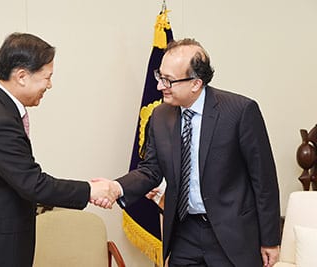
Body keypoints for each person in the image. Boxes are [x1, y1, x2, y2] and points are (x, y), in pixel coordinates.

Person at [95, 38, 281, 267]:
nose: (159, 86)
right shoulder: (160, 116)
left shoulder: (240, 111)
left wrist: (270, 240)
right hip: (185, 232)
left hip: (232, 234)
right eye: (159, 76)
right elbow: (150, 170)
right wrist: (116, 187)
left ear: (195, 83)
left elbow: (264, 181)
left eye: (168, 80)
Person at [0, 32, 117, 267]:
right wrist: (90, 191)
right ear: (22, 76)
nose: (50, 85)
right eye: (47, 77)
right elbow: (34, 184)